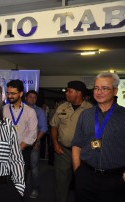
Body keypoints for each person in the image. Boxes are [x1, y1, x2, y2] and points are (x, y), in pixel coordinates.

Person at [72, 72, 125, 202]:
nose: (99, 92)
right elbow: (77, 144)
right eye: (96, 88)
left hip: (114, 179)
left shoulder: (123, 115)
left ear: (115, 91)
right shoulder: (86, 115)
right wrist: (77, 172)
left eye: (105, 88)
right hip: (86, 175)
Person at [50, 80, 92, 202]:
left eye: (70, 91)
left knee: (83, 181)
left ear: (78, 93)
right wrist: (55, 143)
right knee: (61, 181)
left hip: (83, 153)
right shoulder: (62, 107)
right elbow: (54, 126)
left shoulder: (90, 109)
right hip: (63, 151)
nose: (66, 93)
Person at [3, 79, 38, 182]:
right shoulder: (3, 110)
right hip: (4, 152)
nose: (9, 96)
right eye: (8, 93)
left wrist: (19, 148)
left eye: (13, 93)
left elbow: (32, 133)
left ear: (21, 93)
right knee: (5, 180)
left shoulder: (30, 112)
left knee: (20, 180)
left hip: (22, 152)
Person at [25, 90, 48, 199]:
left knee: (34, 168)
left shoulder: (39, 111)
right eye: (30, 97)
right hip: (20, 144)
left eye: (34, 97)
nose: (32, 99)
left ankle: (35, 188)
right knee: (19, 167)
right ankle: (21, 188)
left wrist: (36, 141)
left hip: (34, 144)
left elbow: (43, 128)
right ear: (26, 98)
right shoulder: (19, 109)